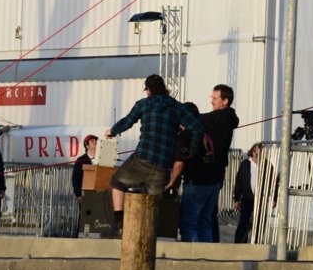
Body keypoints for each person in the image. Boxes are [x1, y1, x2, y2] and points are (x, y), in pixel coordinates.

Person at [105, 74, 204, 235]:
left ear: (149, 90)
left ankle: (119, 224)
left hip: (142, 157)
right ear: (164, 89)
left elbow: (128, 121)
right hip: (162, 166)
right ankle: (146, 237)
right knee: (151, 206)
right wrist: (191, 151)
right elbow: (198, 128)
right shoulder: (178, 107)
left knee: (117, 182)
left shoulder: (144, 104)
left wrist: (112, 131)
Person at [179, 83, 239, 243]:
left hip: (203, 177)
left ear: (225, 101)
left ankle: (193, 257)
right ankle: (207, 256)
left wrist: (186, 119)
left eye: (215, 98)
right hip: (215, 177)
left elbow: (201, 118)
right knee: (205, 221)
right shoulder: (221, 119)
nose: (211, 101)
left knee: (191, 222)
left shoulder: (223, 116)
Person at [233, 142, 262, 244]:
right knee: (244, 222)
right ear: (252, 153)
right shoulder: (245, 164)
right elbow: (239, 182)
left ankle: (256, 243)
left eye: (259, 153)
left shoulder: (265, 164)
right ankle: (240, 243)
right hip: (247, 198)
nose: (257, 155)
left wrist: (274, 198)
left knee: (259, 223)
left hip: (260, 199)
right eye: (255, 152)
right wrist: (236, 199)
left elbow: (273, 181)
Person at [71, 134, 98, 200]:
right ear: (87, 145)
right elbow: (75, 178)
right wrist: (78, 195)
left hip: (100, 195)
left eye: (96, 140)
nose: (95, 142)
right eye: (92, 141)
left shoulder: (101, 158)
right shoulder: (81, 160)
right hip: (86, 194)